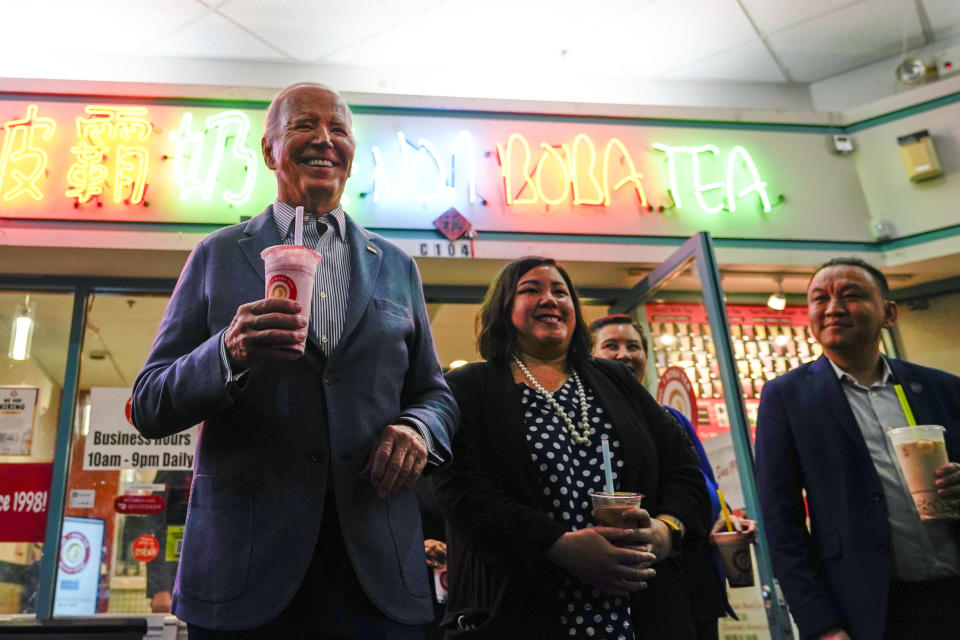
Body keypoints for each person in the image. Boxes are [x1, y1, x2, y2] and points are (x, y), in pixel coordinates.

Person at [131, 82, 458, 638]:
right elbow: (149, 402)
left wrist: (418, 429)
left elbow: (435, 393)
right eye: (305, 126)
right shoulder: (216, 255)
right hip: (245, 569)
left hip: (376, 569)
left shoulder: (397, 266)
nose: (324, 140)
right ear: (268, 151)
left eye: (339, 130)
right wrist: (227, 353)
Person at [435, 256, 710, 639]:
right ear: (503, 308)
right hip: (522, 609)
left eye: (560, 292)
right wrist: (557, 545)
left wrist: (666, 531)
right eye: (531, 290)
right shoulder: (468, 387)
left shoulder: (616, 380)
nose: (550, 299)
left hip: (642, 612)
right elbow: (462, 492)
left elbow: (683, 471)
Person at [755, 257, 960, 640]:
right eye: (820, 299)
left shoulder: (942, 388)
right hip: (870, 609)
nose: (833, 308)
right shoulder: (787, 397)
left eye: (850, 295)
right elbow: (780, 521)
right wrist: (822, 626)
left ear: (889, 313)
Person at [591, 314, 757, 640]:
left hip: (697, 583)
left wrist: (725, 520)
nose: (624, 354)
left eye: (633, 346)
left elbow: (704, 489)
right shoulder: (590, 425)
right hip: (636, 589)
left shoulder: (673, 420)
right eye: (611, 346)